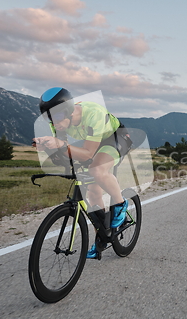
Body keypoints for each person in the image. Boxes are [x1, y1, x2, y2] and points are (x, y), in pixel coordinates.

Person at [33, 87, 130, 259]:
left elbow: (87, 154)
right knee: (92, 193)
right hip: (90, 143)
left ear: (69, 111)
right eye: (49, 117)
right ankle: (102, 237)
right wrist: (50, 148)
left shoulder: (93, 114)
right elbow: (65, 153)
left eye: (56, 116)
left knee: (97, 170)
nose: (53, 123)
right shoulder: (58, 123)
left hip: (115, 137)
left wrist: (60, 145)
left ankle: (120, 203)